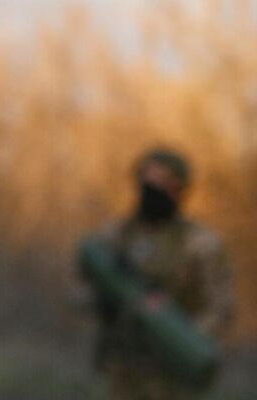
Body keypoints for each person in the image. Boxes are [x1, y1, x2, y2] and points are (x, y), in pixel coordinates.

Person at [81, 148, 235, 400]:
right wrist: (99, 302)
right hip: (122, 372)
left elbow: (221, 308)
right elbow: (78, 293)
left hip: (175, 378)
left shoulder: (200, 243)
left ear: (180, 189)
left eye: (163, 181)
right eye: (147, 179)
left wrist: (178, 334)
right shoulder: (115, 234)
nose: (152, 187)